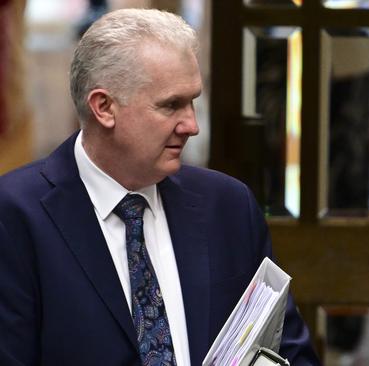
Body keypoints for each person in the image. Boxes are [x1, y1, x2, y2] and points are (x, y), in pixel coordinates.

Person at [0, 8, 319, 366]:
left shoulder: (227, 206)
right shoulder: (14, 215)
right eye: (172, 106)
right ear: (104, 107)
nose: (192, 125)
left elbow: (289, 353)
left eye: (193, 101)